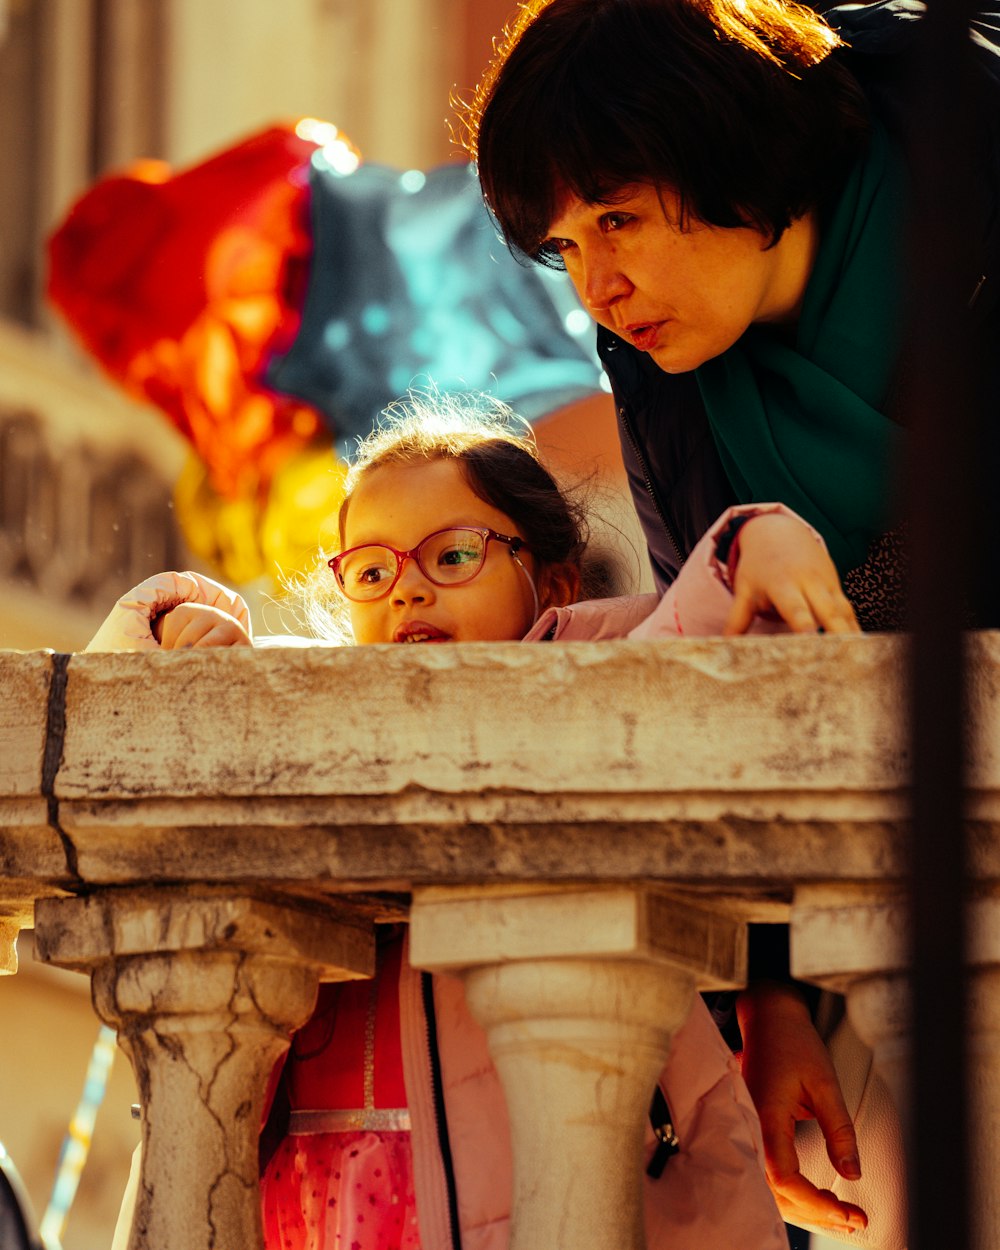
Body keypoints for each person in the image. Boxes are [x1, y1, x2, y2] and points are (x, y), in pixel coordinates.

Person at [464, 0, 998, 1235]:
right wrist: (769, 1000)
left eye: (618, 217)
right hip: (871, 868)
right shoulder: (658, 354)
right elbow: (715, 680)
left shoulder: (968, 136)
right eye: (564, 244)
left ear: (724, 150)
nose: (598, 287)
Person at [95, 394, 865, 1250]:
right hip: (316, 1203)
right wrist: (177, 629)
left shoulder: (581, 667)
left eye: (454, 555)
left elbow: (695, 640)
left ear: (555, 583)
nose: (409, 588)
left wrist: (751, 542)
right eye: (372, 572)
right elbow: (115, 715)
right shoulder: (326, 715)